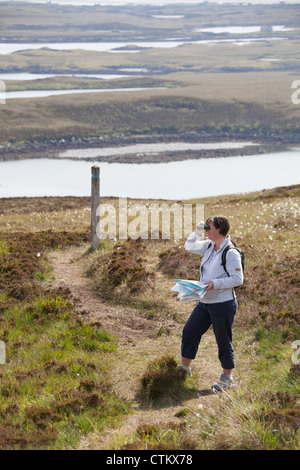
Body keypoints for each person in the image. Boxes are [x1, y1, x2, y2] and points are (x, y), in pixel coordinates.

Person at [177, 215, 243, 391]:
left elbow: (238, 279)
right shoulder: (208, 246)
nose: (207, 230)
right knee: (190, 330)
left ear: (219, 229)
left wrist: (214, 284)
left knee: (223, 339)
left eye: (209, 227)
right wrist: (197, 232)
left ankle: (227, 378)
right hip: (205, 301)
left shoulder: (230, 252)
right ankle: (184, 368)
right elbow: (189, 246)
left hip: (223, 303)